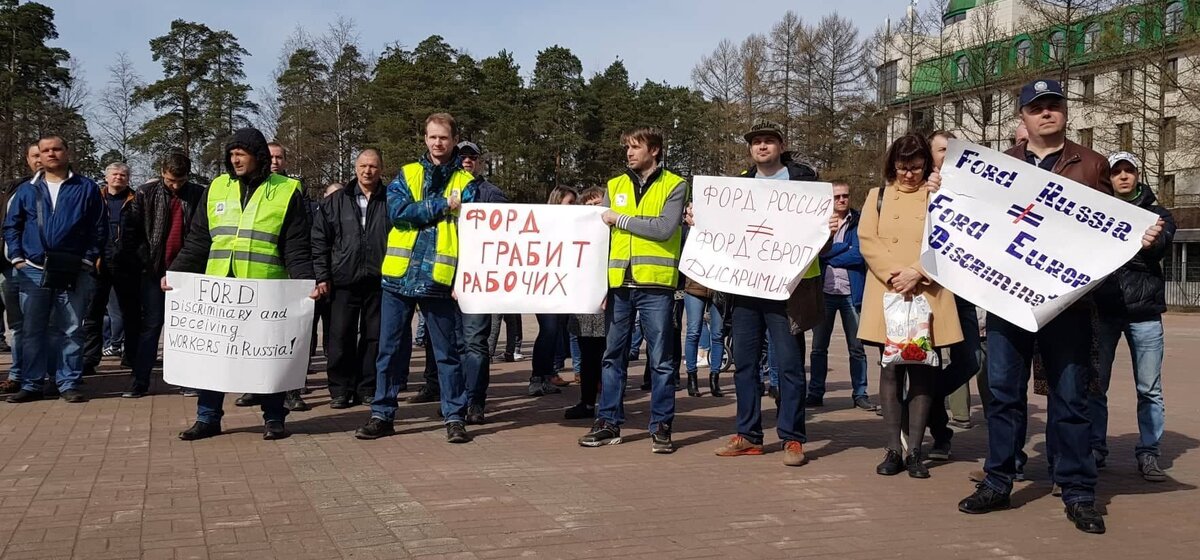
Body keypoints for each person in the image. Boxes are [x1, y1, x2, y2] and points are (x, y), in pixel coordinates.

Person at [958, 79, 1163, 535]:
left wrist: (1145, 233)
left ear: (1065, 113)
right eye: (1037, 108)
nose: (1046, 114)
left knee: (1071, 398)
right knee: (1003, 396)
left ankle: (1077, 490)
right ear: (1023, 118)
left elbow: (1117, 220)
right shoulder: (1001, 164)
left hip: (1069, 306)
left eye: (1054, 106)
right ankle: (998, 479)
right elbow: (972, 213)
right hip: (1009, 302)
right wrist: (944, 185)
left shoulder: (1092, 165)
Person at [166, 128, 317, 440]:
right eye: (231, 154)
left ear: (257, 156)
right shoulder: (216, 188)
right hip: (218, 291)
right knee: (213, 357)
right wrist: (176, 274)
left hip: (266, 293)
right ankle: (207, 418)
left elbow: (296, 246)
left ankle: (274, 417)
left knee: (267, 358)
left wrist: (305, 285)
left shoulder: (287, 190)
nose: (234, 160)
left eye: (240, 154)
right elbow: (198, 241)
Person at [355, 113, 478, 444]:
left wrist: (463, 280)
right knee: (389, 351)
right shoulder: (406, 174)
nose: (437, 143)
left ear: (454, 140)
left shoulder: (468, 184)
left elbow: (476, 233)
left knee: (447, 353)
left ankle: (454, 416)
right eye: (432, 137)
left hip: (439, 279)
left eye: (444, 138)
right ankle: (382, 413)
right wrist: (442, 205)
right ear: (425, 139)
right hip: (399, 277)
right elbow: (398, 212)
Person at [710, 123, 823, 467]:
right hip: (747, 288)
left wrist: (828, 227)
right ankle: (749, 435)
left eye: (768, 141)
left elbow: (819, 234)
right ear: (750, 150)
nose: (761, 146)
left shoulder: (804, 181)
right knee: (744, 364)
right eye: (756, 142)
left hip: (789, 288)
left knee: (789, 365)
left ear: (781, 146)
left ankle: (792, 438)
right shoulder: (739, 185)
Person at [859, 133, 963, 479]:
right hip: (888, 292)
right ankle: (893, 448)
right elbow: (867, 240)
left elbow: (948, 240)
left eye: (916, 167)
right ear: (893, 165)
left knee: (923, 372)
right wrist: (895, 275)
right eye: (903, 167)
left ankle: (916, 450)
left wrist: (917, 273)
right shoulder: (877, 196)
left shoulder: (939, 196)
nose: (909, 175)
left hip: (927, 290)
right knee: (889, 370)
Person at [578, 127, 686, 453]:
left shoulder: (676, 185)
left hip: (656, 285)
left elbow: (665, 229)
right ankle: (608, 422)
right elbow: (601, 239)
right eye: (627, 147)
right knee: (613, 356)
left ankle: (661, 426)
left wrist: (620, 219)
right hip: (620, 285)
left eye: (635, 147)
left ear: (654, 150)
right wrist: (599, 283)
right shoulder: (614, 185)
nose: (629, 153)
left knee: (661, 360)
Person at [1089, 151, 1174, 482]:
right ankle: (1096, 449)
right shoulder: (1097, 211)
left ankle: (1149, 452)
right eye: (1116, 171)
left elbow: (1160, 247)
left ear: (1138, 175)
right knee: (1096, 386)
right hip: (1105, 310)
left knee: (1149, 388)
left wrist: (1142, 248)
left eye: (1129, 170)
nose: (1123, 176)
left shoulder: (1158, 214)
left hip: (1146, 314)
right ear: (1109, 178)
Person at [4, 135, 106, 404]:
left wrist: (87, 259)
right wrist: (16, 258)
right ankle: (32, 383)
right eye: (45, 150)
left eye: (57, 149)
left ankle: (67, 382)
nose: (51, 154)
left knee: (71, 328)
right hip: (33, 270)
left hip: (73, 268)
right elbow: (11, 226)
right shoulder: (27, 190)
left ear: (67, 152)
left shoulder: (86, 188)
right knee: (32, 329)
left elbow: (98, 228)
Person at [123, 151, 205, 398]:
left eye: (180, 181)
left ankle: (187, 379)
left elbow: (201, 234)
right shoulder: (145, 194)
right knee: (151, 325)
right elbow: (132, 233)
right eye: (171, 181)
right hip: (153, 270)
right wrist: (147, 265)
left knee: (186, 328)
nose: (176, 185)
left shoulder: (199, 194)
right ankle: (140, 380)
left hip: (188, 271)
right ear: (162, 173)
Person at [313, 149, 390, 409]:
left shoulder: (392, 200)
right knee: (340, 337)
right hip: (343, 280)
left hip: (379, 281)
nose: (367, 171)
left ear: (381, 169)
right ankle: (340, 390)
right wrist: (322, 276)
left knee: (374, 338)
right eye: (363, 166)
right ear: (355, 168)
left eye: (373, 166)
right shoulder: (334, 202)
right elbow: (320, 241)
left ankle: (367, 387)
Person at [925, 130, 983, 462]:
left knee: (970, 360)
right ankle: (940, 437)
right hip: (930, 289)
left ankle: (914, 404)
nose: (949, 154)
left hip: (962, 289)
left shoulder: (973, 189)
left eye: (954, 149)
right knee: (928, 362)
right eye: (942, 149)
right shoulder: (919, 188)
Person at [455, 140, 508, 423]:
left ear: (480, 162)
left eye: (472, 157)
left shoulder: (492, 194)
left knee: (475, 343)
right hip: (446, 275)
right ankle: (454, 399)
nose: (466, 160)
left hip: (478, 279)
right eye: (461, 156)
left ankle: (475, 401)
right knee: (452, 345)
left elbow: (505, 237)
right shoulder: (444, 189)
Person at [807, 181, 873, 411]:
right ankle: (815, 392)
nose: (842, 200)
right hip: (824, 293)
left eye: (845, 195)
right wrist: (840, 249)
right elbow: (814, 253)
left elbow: (860, 254)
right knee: (818, 348)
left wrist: (828, 254)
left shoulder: (860, 220)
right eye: (837, 197)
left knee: (856, 348)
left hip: (851, 294)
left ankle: (860, 393)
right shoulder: (819, 220)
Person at [82, 162, 143, 378]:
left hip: (128, 264)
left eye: (124, 175)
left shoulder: (137, 200)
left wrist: (139, 257)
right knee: (93, 314)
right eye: (115, 174)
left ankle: (132, 356)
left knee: (131, 313)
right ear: (107, 177)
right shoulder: (94, 198)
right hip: (98, 263)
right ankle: (89, 358)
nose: (119, 178)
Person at [564, 186, 608, 420]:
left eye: (597, 203)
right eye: (588, 205)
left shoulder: (614, 233)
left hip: (606, 305)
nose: (593, 209)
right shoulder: (575, 233)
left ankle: (610, 405)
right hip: (582, 305)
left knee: (608, 357)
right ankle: (587, 402)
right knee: (587, 358)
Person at [0, 143, 40, 394]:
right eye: (34, 156)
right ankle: (16, 373)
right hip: (8, 266)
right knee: (15, 325)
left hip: (38, 265)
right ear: (27, 159)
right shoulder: (11, 189)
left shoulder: (59, 190)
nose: (40, 160)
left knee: (42, 325)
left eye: (42, 155)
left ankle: (43, 375)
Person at [530, 186, 576, 397]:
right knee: (548, 331)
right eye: (570, 203)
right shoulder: (543, 226)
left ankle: (547, 375)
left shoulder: (574, 226)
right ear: (557, 202)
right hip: (544, 287)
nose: (573, 207)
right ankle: (537, 378)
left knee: (555, 331)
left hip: (562, 286)